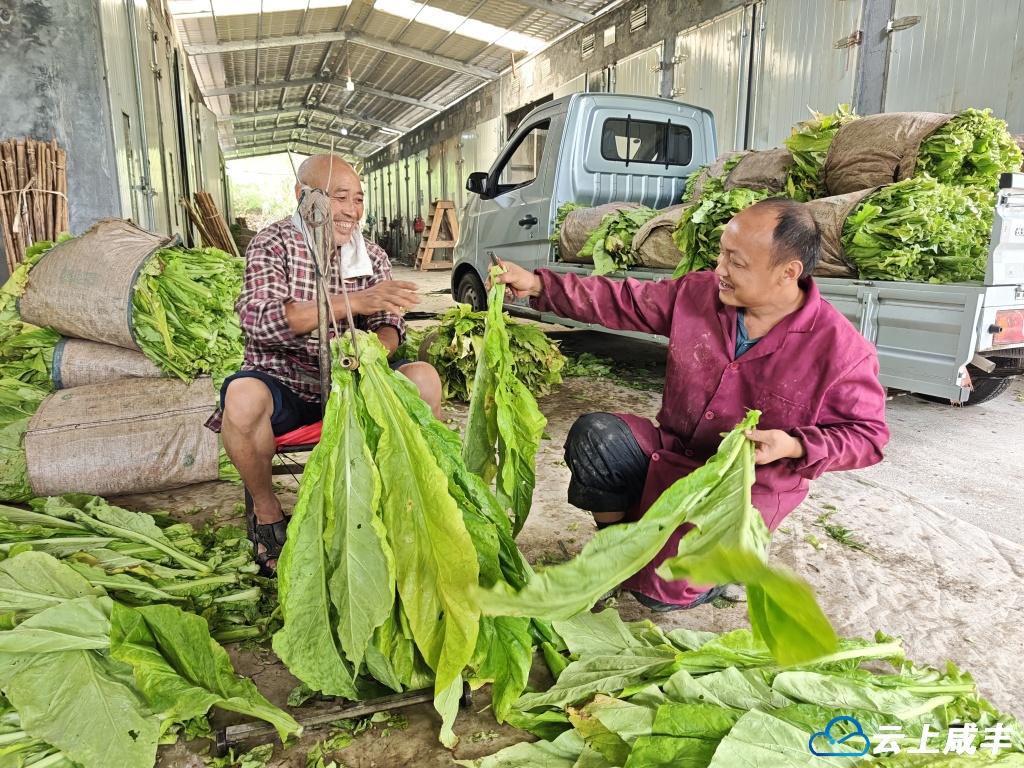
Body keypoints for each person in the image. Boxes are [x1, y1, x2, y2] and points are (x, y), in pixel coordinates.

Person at [494, 198, 889, 611]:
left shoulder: (841, 348)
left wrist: (793, 445)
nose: (719, 268)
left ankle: (724, 572)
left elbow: (868, 437)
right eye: (722, 253)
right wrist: (539, 285)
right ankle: (615, 548)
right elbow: (623, 301)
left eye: (736, 262)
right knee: (597, 437)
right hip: (673, 455)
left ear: (787, 273)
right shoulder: (700, 293)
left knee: (657, 594)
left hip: (741, 490)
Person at [207, 154, 442, 574]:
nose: (351, 210)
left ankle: (409, 507)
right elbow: (259, 319)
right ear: (303, 196)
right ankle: (268, 514)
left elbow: (390, 327)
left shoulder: (368, 254)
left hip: (357, 382)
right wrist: (352, 303)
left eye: (358, 199)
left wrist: (371, 348)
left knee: (422, 377)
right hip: (289, 383)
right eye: (339, 197)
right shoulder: (273, 243)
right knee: (240, 398)